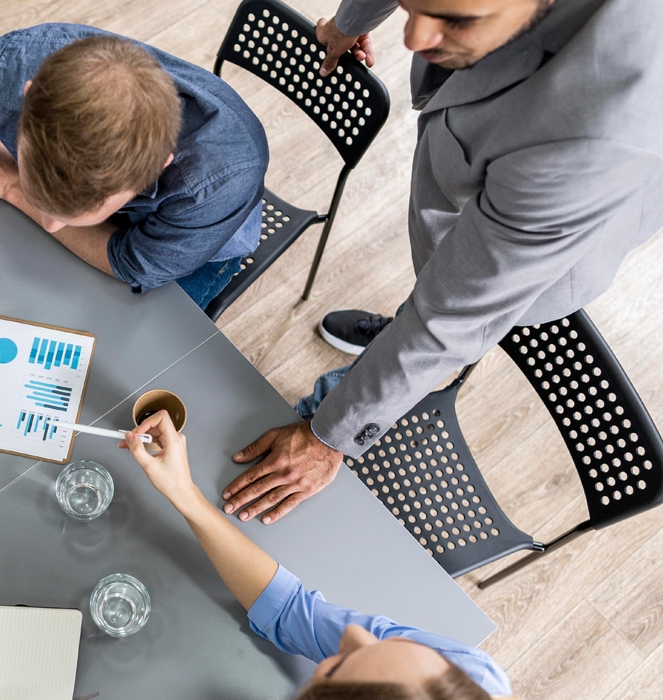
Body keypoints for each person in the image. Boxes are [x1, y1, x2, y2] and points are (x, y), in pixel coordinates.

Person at [221, 0, 663, 524]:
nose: (413, 38)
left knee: (441, 325)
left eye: (456, 20)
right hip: (483, 166)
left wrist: (327, 438)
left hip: (544, 239)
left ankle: (398, 366)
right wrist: (349, 24)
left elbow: (449, 318)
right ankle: (394, 341)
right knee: (430, 291)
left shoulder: (596, 133)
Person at [121, 411, 529, 700]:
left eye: (337, 667)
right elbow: (291, 612)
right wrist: (184, 495)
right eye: (395, 641)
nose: (353, 634)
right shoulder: (476, 682)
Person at [0, 24, 269, 314]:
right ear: (28, 98)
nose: (49, 225)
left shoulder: (223, 180)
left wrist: (12, 186)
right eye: (38, 191)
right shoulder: (9, 66)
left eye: (69, 213)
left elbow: (133, 265)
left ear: (157, 168)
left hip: (196, 240)